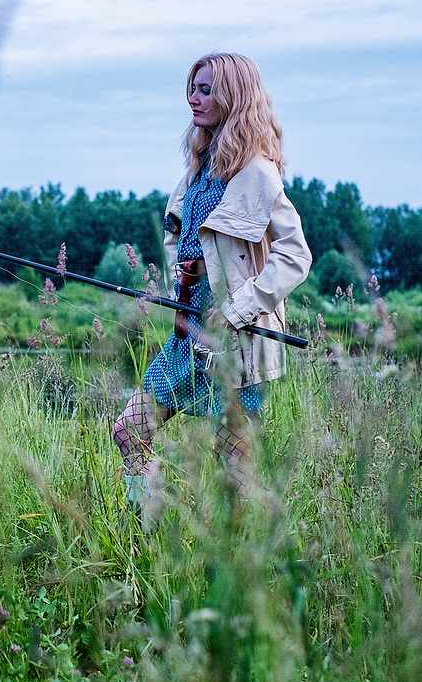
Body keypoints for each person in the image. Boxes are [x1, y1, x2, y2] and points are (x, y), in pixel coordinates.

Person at [112, 53, 312, 510]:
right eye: (192, 88)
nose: (193, 99)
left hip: (236, 346)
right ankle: (146, 521)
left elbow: (296, 255)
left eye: (205, 90)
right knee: (129, 432)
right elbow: (182, 238)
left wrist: (236, 309)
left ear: (234, 96)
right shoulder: (196, 171)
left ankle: (241, 566)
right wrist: (184, 271)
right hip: (187, 335)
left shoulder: (259, 173)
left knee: (235, 475)